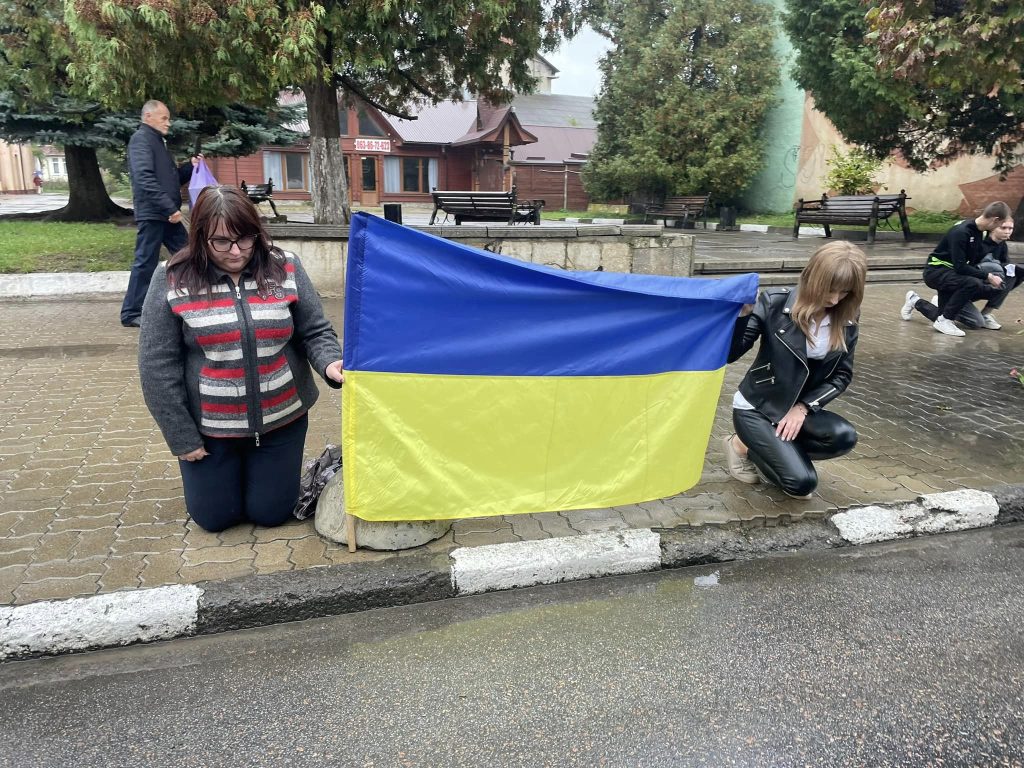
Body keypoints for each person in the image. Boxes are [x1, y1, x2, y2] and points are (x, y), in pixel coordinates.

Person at [138, 186, 345, 532]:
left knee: (271, 514)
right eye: (221, 242)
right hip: (211, 431)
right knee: (214, 519)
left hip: (282, 420)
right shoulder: (171, 277)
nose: (236, 251)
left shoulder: (285, 266)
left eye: (245, 239)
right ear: (200, 237)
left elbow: (315, 330)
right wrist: (182, 437)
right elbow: (156, 365)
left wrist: (329, 362)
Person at [721, 241, 867, 499]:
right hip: (758, 407)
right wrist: (742, 316)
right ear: (813, 278)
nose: (835, 299)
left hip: (797, 409)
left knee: (843, 437)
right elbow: (731, 355)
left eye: (844, 292)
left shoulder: (847, 316)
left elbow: (842, 375)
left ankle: (771, 449)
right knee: (802, 484)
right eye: (830, 289)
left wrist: (803, 407)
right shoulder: (774, 302)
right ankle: (741, 444)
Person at [120, 99, 200, 328]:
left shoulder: (157, 142)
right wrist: (169, 208)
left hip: (165, 213)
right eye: (164, 118)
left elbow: (171, 179)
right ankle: (131, 313)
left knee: (189, 255)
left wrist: (191, 167)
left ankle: (198, 300)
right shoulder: (141, 140)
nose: (168, 123)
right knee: (145, 261)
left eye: (168, 119)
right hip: (155, 213)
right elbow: (144, 178)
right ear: (148, 117)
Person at [898, 202, 1012, 336]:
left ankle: (915, 301)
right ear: (995, 220)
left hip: (952, 274)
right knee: (972, 283)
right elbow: (960, 267)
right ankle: (945, 320)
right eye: (1001, 225)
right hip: (936, 272)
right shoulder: (961, 232)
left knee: (943, 315)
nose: (1000, 229)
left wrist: (994, 243)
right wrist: (989, 276)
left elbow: (973, 260)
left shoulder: (981, 233)